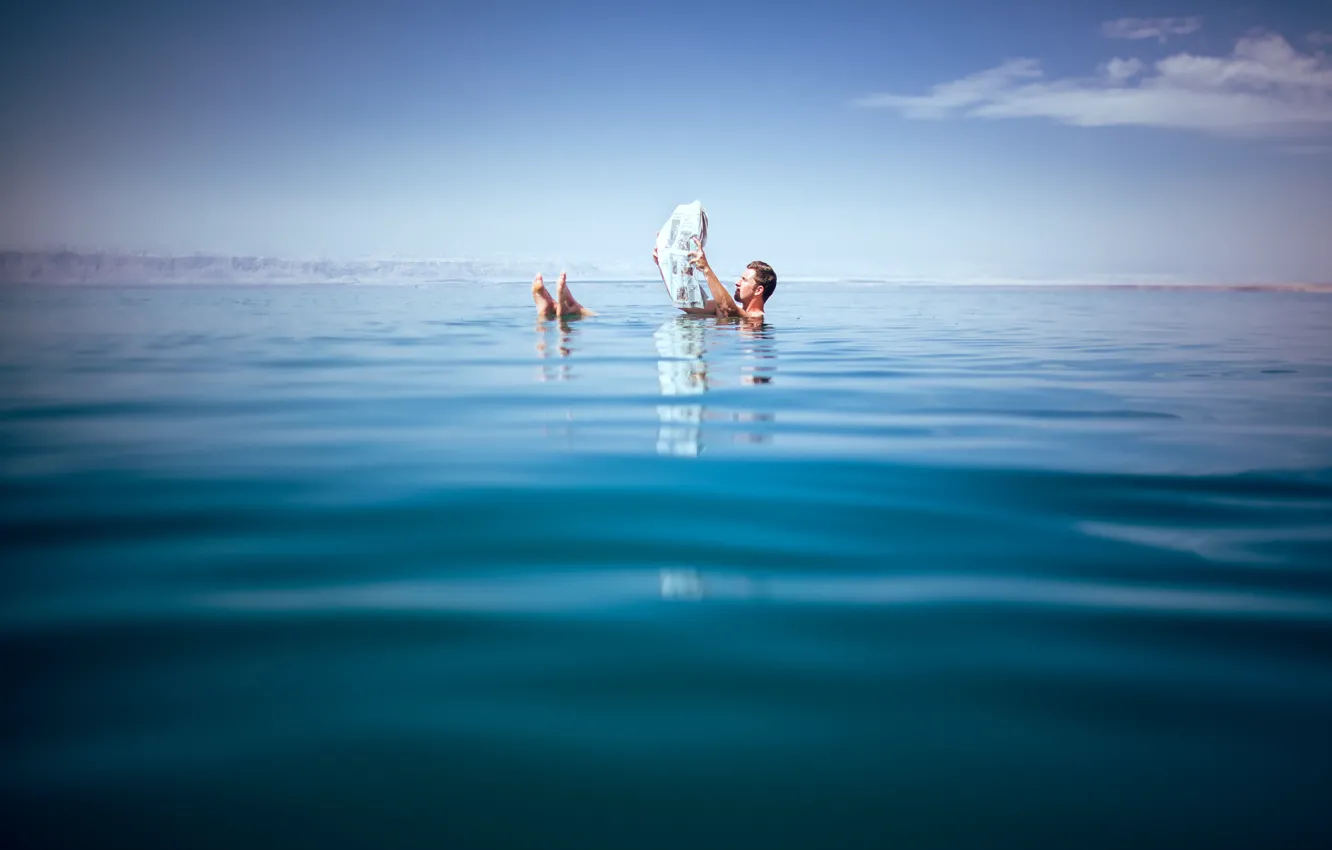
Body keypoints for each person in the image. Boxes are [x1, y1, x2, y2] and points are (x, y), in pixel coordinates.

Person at [531, 243, 777, 320]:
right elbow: (686, 304)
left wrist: (706, 268)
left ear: (758, 289)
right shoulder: (732, 314)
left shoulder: (755, 320)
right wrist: (663, 266)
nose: (737, 282)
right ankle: (568, 310)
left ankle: (567, 311)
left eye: (743, 280)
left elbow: (727, 309)